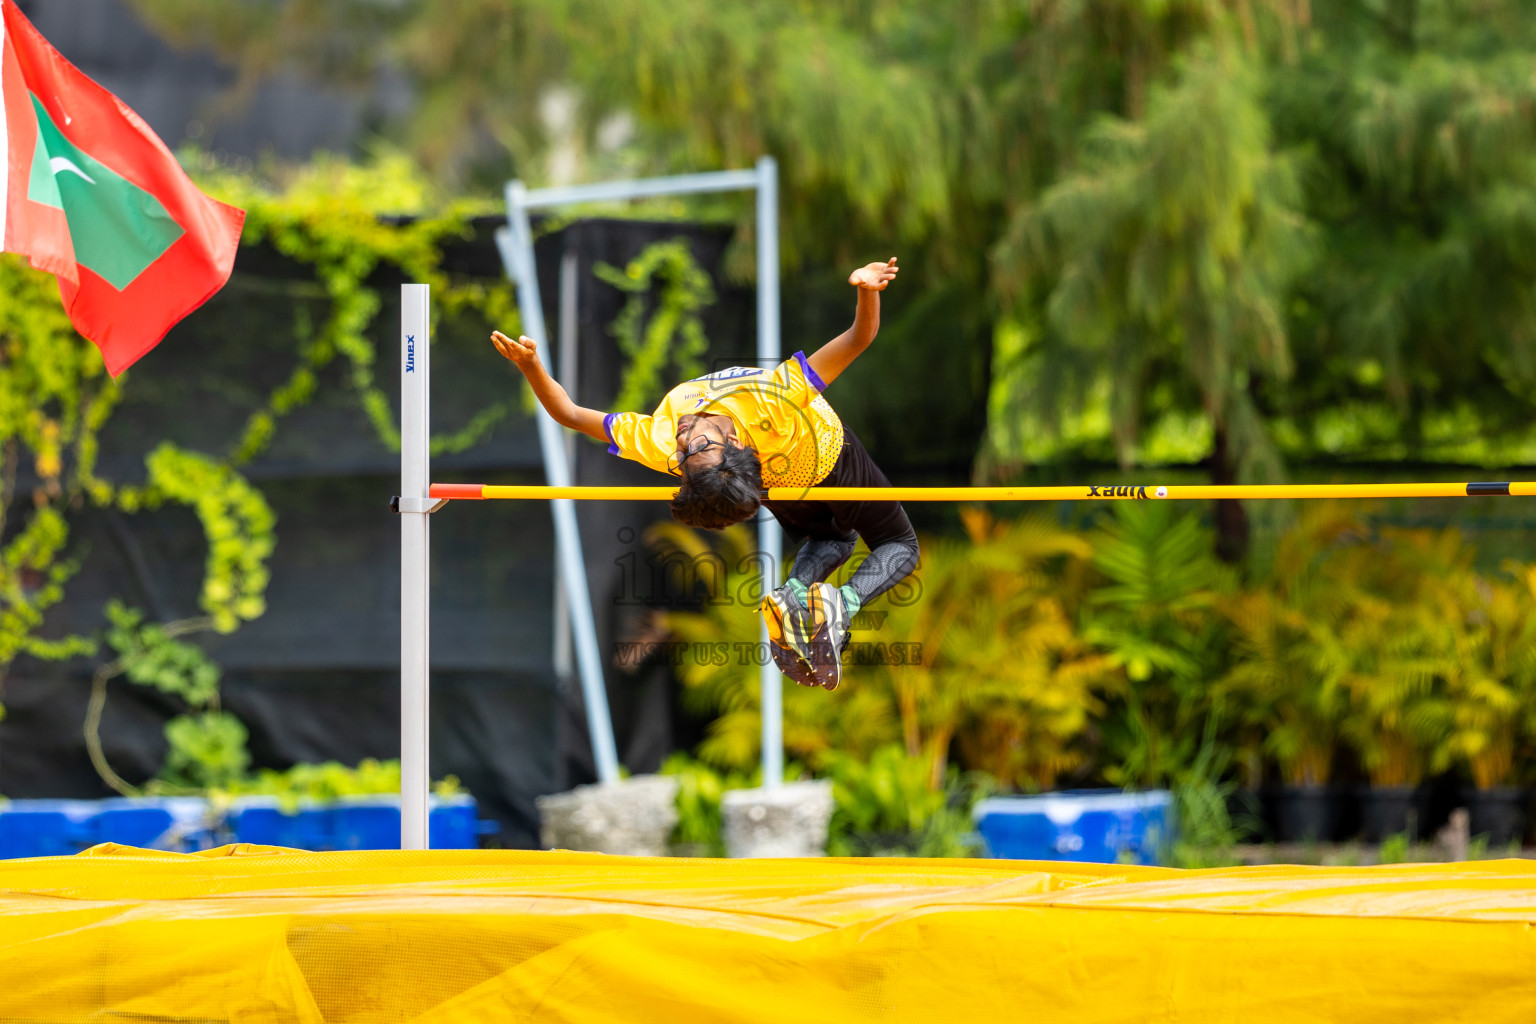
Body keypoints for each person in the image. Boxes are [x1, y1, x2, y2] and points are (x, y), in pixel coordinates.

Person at [491, 256, 918, 691]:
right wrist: (867, 292)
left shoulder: (663, 441)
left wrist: (532, 368)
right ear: (735, 447)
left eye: (686, 452)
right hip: (819, 458)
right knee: (899, 544)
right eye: (692, 448)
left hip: (782, 475)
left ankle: (794, 593)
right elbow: (858, 338)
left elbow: (570, 414)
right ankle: (844, 603)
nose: (682, 435)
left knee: (832, 539)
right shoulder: (771, 400)